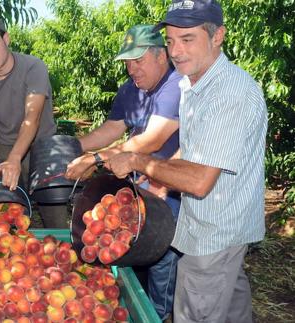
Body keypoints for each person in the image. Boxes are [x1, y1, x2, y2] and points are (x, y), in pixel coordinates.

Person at [107, 1, 267, 322]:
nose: (176, 51)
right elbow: (195, 150)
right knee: (230, 309)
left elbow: (199, 180)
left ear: (218, 36)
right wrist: (161, 181)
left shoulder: (228, 94)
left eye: (188, 39)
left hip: (213, 233)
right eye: (170, 40)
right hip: (219, 227)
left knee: (194, 312)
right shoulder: (191, 84)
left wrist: (139, 160)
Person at [65, 24, 182, 320]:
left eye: (138, 60)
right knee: (133, 257)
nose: (132, 69)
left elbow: (150, 140)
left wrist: (94, 158)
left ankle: (159, 314)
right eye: (127, 62)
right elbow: (112, 128)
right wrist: (72, 146)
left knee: (161, 265)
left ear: (162, 56)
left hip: (170, 193)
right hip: (139, 189)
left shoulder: (176, 85)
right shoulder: (132, 90)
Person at [0, 15, 69, 228]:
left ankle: (58, 241)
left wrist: (15, 159)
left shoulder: (33, 67)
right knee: (3, 214)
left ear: (7, 39)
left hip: (43, 146)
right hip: (6, 146)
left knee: (54, 214)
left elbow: (31, 119)